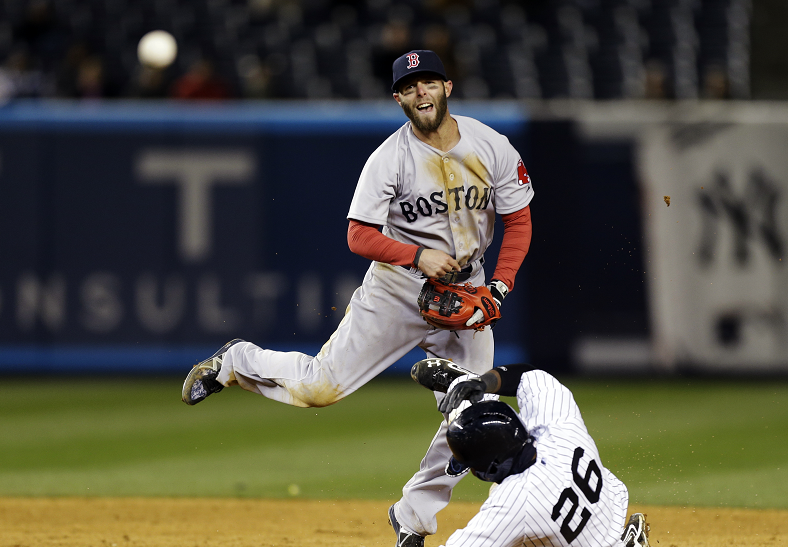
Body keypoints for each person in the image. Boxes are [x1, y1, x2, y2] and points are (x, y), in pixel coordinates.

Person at [181, 49, 534, 547]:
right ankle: (237, 361)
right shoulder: (389, 158)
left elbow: (518, 220)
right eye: (410, 87)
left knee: (473, 415)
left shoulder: (491, 145)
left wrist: (498, 287)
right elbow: (359, 235)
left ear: (447, 87)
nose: (421, 93)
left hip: (469, 289)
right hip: (397, 289)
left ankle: (412, 519)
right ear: (398, 98)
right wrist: (417, 256)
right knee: (320, 388)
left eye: (429, 82)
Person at [410, 358, 650, 547]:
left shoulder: (516, 502)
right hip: (609, 512)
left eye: (473, 465)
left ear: (492, 466)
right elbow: (527, 375)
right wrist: (483, 383)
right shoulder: (558, 424)